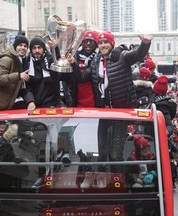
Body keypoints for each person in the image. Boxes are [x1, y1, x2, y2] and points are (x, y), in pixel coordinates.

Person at [73, 32, 152, 173]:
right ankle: (103, 182)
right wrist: (73, 64)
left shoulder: (121, 56)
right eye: (101, 43)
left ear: (112, 44)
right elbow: (82, 77)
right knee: (101, 152)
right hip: (102, 112)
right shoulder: (96, 60)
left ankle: (119, 181)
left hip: (120, 114)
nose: (103, 45)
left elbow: (138, 54)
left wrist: (145, 44)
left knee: (115, 153)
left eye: (106, 43)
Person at [24, 36, 71, 113]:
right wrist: (30, 101)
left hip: (53, 104)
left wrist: (56, 48)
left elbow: (62, 73)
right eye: (34, 48)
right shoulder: (26, 62)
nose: (37, 50)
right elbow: (26, 87)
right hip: (34, 106)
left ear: (43, 48)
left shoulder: (50, 59)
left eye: (39, 48)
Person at [0, 35, 30, 111]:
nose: (23, 48)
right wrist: (18, 76)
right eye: (20, 45)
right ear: (15, 46)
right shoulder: (7, 59)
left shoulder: (21, 60)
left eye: (25, 46)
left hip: (8, 104)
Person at [70, 30, 99, 107]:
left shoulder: (98, 59)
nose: (88, 43)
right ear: (82, 43)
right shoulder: (74, 55)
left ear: (96, 44)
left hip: (94, 104)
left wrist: (73, 64)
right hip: (76, 102)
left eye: (91, 41)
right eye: (86, 41)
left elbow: (81, 78)